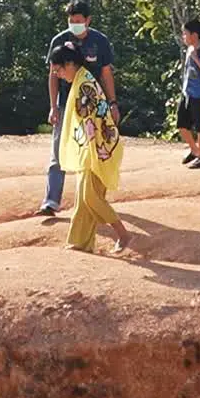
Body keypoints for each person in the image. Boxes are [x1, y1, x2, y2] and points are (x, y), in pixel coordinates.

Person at [38, 0, 117, 217]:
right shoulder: (60, 40)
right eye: (71, 21)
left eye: (79, 21)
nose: (74, 25)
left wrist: (112, 103)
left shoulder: (100, 42)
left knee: (95, 149)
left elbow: (106, 74)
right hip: (66, 104)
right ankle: (51, 201)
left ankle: (94, 200)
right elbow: (53, 76)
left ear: (88, 20)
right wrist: (53, 107)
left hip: (93, 105)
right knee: (58, 151)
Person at [50, 43, 132, 253]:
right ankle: (79, 244)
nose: (58, 75)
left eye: (58, 70)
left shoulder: (84, 82)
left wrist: (92, 153)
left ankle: (122, 233)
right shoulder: (80, 80)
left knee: (90, 197)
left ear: (69, 64)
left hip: (98, 150)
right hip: (92, 149)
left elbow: (92, 122)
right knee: (82, 200)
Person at [177, 19, 200, 169]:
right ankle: (194, 150)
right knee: (181, 125)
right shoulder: (189, 50)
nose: (183, 37)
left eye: (185, 34)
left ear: (194, 35)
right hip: (187, 94)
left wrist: (196, 58)